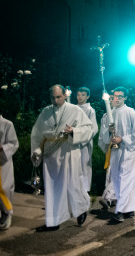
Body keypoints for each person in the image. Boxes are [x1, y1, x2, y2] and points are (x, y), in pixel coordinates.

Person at [31, 84, 93, 231]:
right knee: (52, 188)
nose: (55, 100)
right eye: (52, 97)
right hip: (51, 156)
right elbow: (37, 134)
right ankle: (53, 222)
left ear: (65, 95)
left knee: (73, 185)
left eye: (58, 97)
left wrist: (74, 131)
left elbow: (89, 129)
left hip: (69, 152)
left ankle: (81, 208)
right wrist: (37, 149)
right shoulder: (45, 112)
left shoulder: (75, 110)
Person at [99, 87, 135, 224]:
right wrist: (109, 134)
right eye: (114, 96)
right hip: (115, 151)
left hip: (128, 151)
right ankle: (129, 209)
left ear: (125, 98)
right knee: (118, 180)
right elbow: (103, 135)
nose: (116, 99)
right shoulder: (108, 115)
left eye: (120, 96)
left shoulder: (129, 112)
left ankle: (120, 210)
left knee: (124, 179)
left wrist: (122, 139)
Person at [76, 87, 98, 193]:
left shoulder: (90, 110)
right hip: (73, 141)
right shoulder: (72, 108)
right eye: (78, 94)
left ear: (88, 96)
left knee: (84, 165)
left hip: (84, 143)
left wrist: (83, 137)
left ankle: (85, 190)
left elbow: (94, 128)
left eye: (83, 95)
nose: (80, 97)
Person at [0, 113, 19, 231]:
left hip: (3, 161)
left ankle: (7, 213)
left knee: (4, 188)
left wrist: (2, 148)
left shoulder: (7, 124)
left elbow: (14, 143)